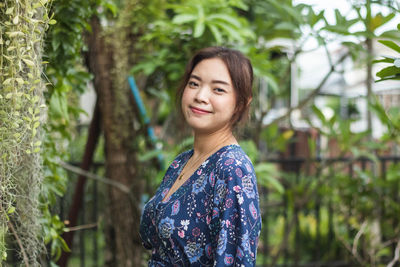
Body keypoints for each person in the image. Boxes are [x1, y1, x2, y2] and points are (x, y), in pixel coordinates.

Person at [139, 46, 262, 266]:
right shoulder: (182, 162)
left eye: (218, 90)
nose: (200, 96)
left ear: (241, 103)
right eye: (194, 84)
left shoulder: (231, 168)